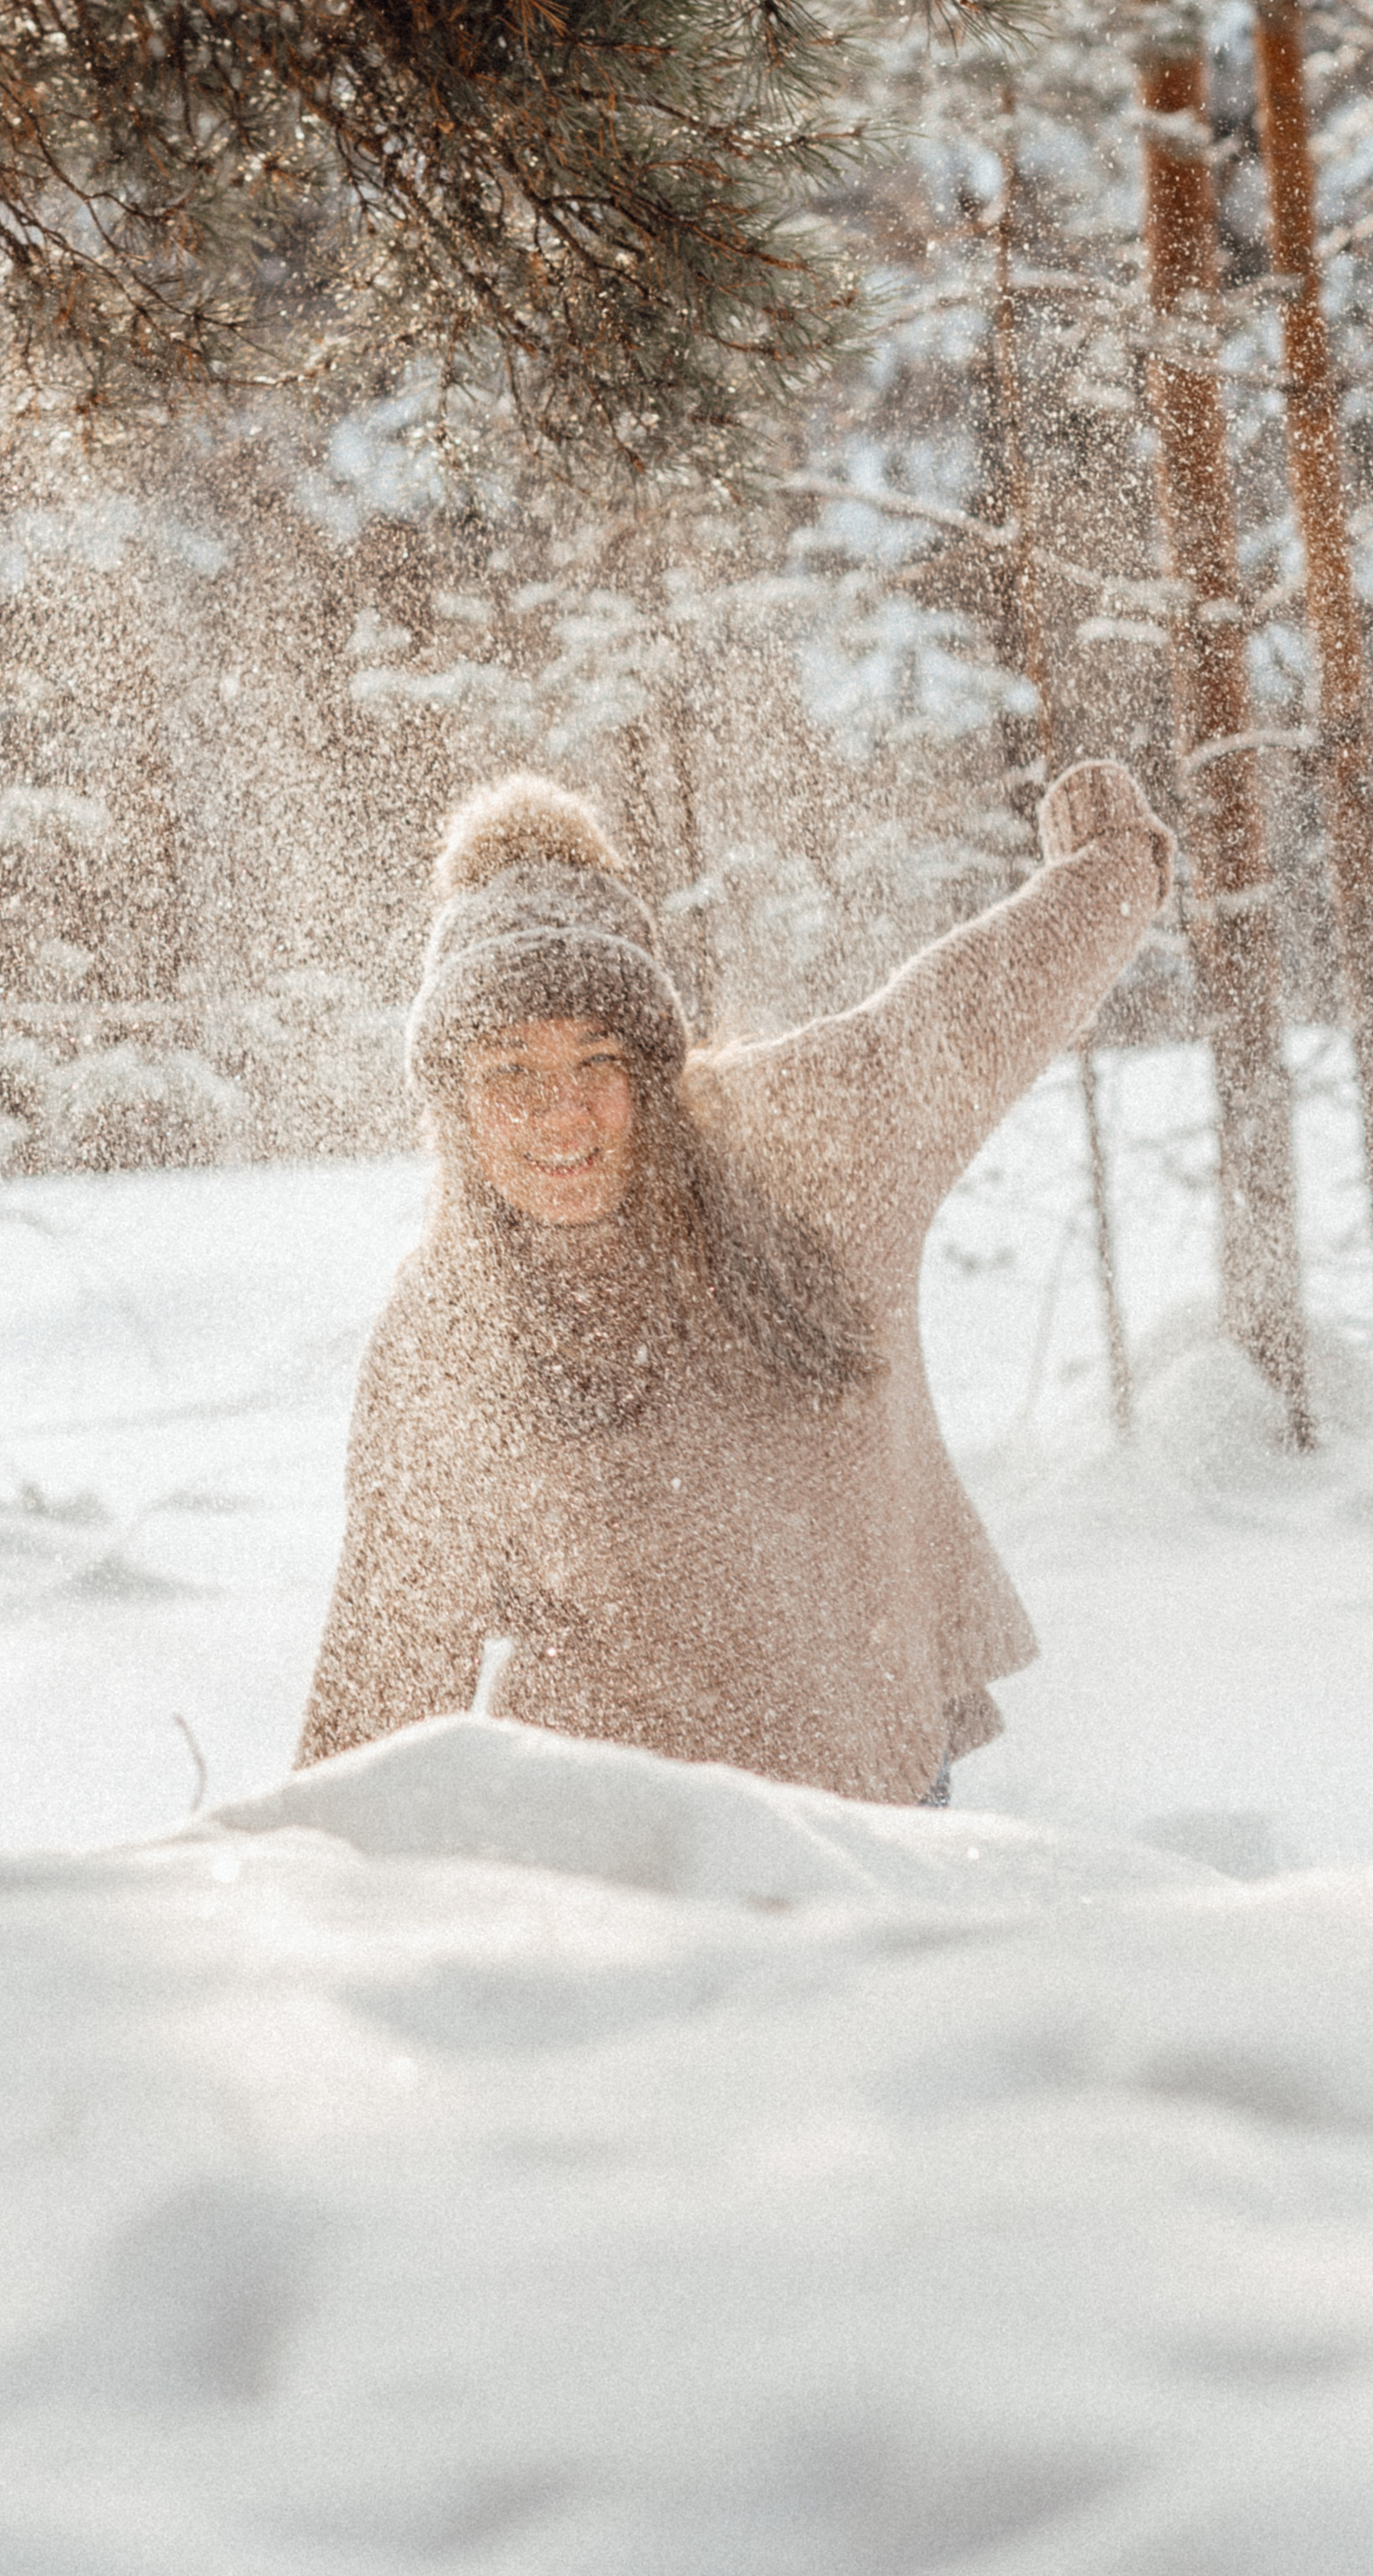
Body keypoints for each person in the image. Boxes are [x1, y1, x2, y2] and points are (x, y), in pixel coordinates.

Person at [295, 758, 1175, 1807]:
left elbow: (963, 1011)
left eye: (596, 1061)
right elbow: (387, 1671)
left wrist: (1110, 868)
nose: (560, 1113)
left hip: (872, 1791)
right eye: (510, 1072)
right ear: (451, 1101)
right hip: (619, 1845)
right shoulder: (448, 1330)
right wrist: (307, 1877)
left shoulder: (794, 1147)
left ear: (651, 1067)